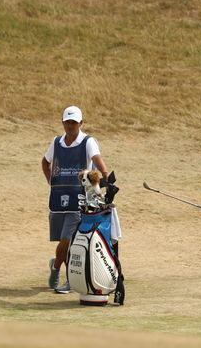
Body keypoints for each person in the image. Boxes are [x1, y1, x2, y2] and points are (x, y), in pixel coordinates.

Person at [42, 105, 121, 294]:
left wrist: (105, 176)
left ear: (80, 123)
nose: (70, 126)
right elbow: (45, 162)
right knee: (62, 242)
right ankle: (57, 265)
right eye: (68, 122)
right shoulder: (56, 142)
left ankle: (69, 279)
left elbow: (96, 157)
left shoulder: (88, 141)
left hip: (79, 200)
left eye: (74, 123)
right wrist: (51, 182)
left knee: (68, 239)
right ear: (62, 123)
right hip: (58, 199)